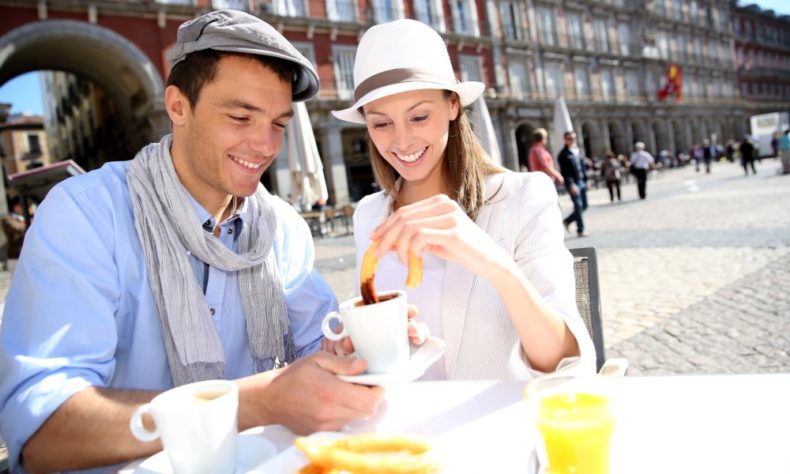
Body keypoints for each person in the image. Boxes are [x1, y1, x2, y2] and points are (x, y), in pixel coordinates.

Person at [0, 10, 385, 473]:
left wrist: (369, 341)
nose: (265, 145)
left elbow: (318, 345)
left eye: (279, 124)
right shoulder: (86, 215)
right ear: (177, 106)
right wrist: (254, 403)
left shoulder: (282, 226)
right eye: (241, 116)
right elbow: (43, 431)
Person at [328, 19, 595, 380]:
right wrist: (358, 345)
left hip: (497, 429)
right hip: (404, 429)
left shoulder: (522, 198)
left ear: (453, 105)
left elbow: (565, 363)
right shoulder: (369, 215)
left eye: (419, 116)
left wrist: (493, 263)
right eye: (381, 123)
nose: (402, 141)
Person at [558, 131, 590, 237]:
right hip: (573, 183)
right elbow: (565, 172)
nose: (572, 140)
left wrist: (587, 180)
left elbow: (583, 168)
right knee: (578, 205)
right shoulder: (563, 154)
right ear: (565, 140)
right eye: (569, 138)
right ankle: (580, 230)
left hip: (581, 181)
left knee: (585, 205)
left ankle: (567, 221)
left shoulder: (577, 151)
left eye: (573, 138)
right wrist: (571, 184)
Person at [1, 197, 28, 274]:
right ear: (15, 206)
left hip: (25, 256)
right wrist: (29, 223)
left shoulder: (25, 217)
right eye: (20, 205)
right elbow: (18, 228)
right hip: (15, 257)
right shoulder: (7, 219)